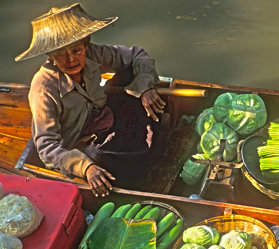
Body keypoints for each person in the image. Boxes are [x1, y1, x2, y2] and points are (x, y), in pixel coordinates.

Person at [15, 3, 166, 197]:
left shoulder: (93, 54)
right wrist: (86, 168)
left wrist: (145, 87)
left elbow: (138, 55)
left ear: (86, 46)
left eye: (76, 50)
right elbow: (46, 146)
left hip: (105, 116)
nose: (71, 60)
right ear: (51, 56)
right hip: (83, 145)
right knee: (117, 169)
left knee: (132, 76)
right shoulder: (43, 88)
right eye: (61, 54)